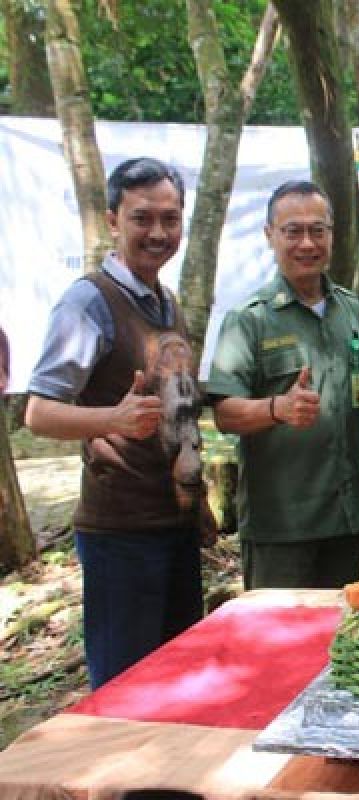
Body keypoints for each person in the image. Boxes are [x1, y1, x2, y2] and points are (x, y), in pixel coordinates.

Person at [25, 157, 209, 688]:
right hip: (122, 534)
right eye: (142, 218)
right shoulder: (89, 302)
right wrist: (114, 418)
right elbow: (39, 412)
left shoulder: (164, 302)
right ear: (112, 221)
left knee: (177, 684)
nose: (158, 233)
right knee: (125, 692)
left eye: (170, 219)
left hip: (173, 526)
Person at [207, 181, 359, 590]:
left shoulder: (350, 310)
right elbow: (225, 412)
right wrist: (276, 409)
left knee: (338, 640)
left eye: (318, 230)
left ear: (332, 235)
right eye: (292, 231)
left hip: (345, 519)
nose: (306, 243)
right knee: (277, 648)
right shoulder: (250, 320)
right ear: (270, 236)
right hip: (281, 528)